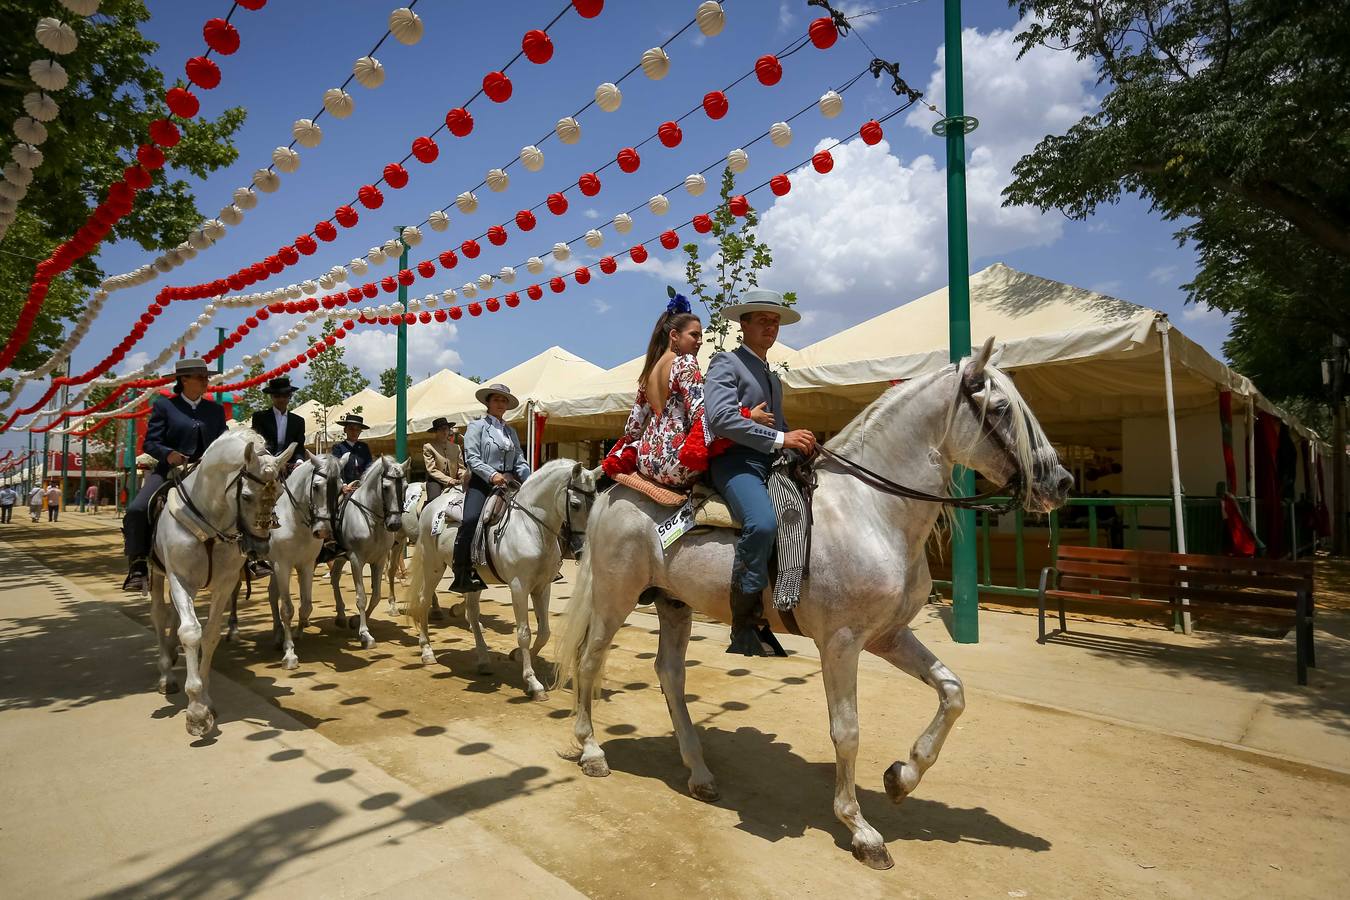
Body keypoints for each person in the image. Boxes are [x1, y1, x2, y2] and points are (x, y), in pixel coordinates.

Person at [704, 289, 816, 656]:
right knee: (763, 523)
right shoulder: (725, 362)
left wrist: (798, 441)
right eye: (763, 319)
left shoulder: (772, 375)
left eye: (776, 321)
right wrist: (783, 436)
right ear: (744, 324)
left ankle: (787, 601)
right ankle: (744, 624)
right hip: (736, 463)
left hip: (770, 463)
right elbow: (719, 419)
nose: (771, 326)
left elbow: (780, 429)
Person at [603, 292, 762, 487]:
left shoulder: (649, 372)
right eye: (694, 335)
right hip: (677, 463)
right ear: (674, 336)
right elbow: (701, 413)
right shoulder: (685, 362)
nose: (700, 341)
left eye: (701, 336)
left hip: (645, 460)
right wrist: (746, 414)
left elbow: (632, 428)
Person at [122, 357, 228, 592]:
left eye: (206, 377)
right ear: (184, 380)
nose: (205, 381)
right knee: (137, 509)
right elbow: (151, 442)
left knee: (242, 499)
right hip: (171, 470)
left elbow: (224, 440)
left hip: (207, 473)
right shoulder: (165, 406)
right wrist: (168, 453)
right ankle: (138, 564)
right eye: (200, 377)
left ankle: (252, 557)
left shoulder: (215, 410)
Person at [450, 383, 532, 593]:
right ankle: (462, 572)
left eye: (504, 400)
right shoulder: (476, 427)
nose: (500, 403)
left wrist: (531, 479)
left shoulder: (511, 431)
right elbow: (473, 458)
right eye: (496, 399)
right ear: (488, 402)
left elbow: (520, 460)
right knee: (469, 520)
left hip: (509, 482)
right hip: (482, 481)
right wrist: (492, 475)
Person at [251, 375, 307, 463]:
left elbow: (299, 447)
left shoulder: (298, 421)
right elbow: (258, 443)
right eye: (277, 396)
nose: (281, 399)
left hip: (290, 464)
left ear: (290, 397)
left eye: (285, 396)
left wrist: (299, 461)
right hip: (265, 463)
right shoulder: (260, 417)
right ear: (271, 397)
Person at [423, 416, 468, 501]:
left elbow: (461, 468)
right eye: (441, 429)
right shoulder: (428, 447)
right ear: (435, 432)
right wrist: (449, 480)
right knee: (433, 499)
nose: (444, 431)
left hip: (456, 480)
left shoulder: (456, 447)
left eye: (446, 429)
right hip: (436, 481)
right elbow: (432, 470)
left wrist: (464, 477)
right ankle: (424, 511)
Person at [330, 414, 373, 495]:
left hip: (363, 486)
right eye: (351, 428)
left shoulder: (364, 447)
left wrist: (366, 481)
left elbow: (369, 465)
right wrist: (343, 485)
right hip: (345, 487)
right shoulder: (338, 447)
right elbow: (337, 468)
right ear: (345, 430)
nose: (354, 432)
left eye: (357, 429)